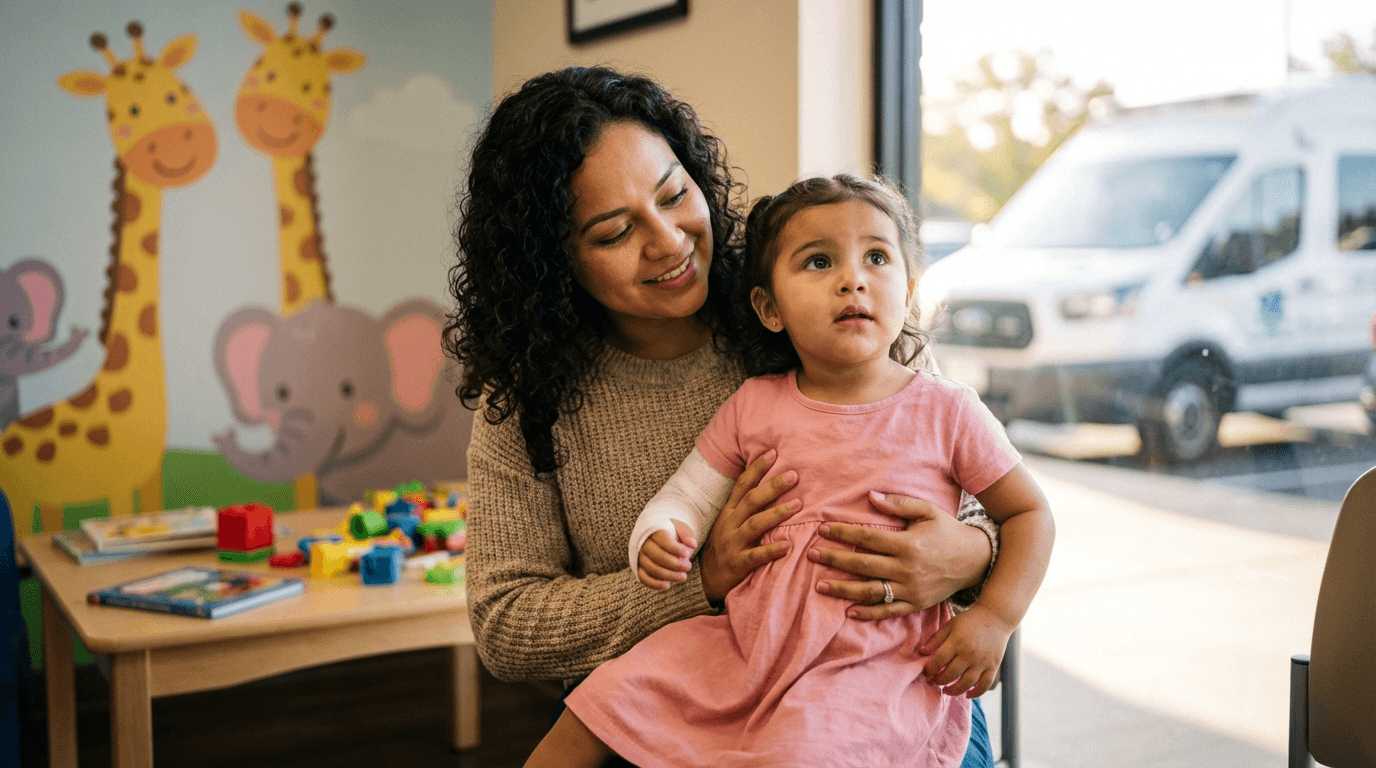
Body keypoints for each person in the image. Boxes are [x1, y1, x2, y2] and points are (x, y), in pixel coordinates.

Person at [446, 66, 1003, 766]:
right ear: (555, 265)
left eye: (675, 195)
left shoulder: (814, 301)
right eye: (616, 232)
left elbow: (1000, 500)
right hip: (671, 695)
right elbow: (505, 625)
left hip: (877, 683)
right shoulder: (531, 392)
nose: (668, 242)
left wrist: (969, 557)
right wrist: (700, 581)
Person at [522, 174, 1055, 768]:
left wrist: (995, 616)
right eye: (819, 262)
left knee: (802, 751)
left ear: (907, 295)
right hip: (745, 642)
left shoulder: (946, 409)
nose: (853, 278)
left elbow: (1029, 513)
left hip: (867, 657)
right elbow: (687, 495)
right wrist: (662, 534)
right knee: (601, 700)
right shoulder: (755, 404)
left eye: (876, 256)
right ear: (769, 308)